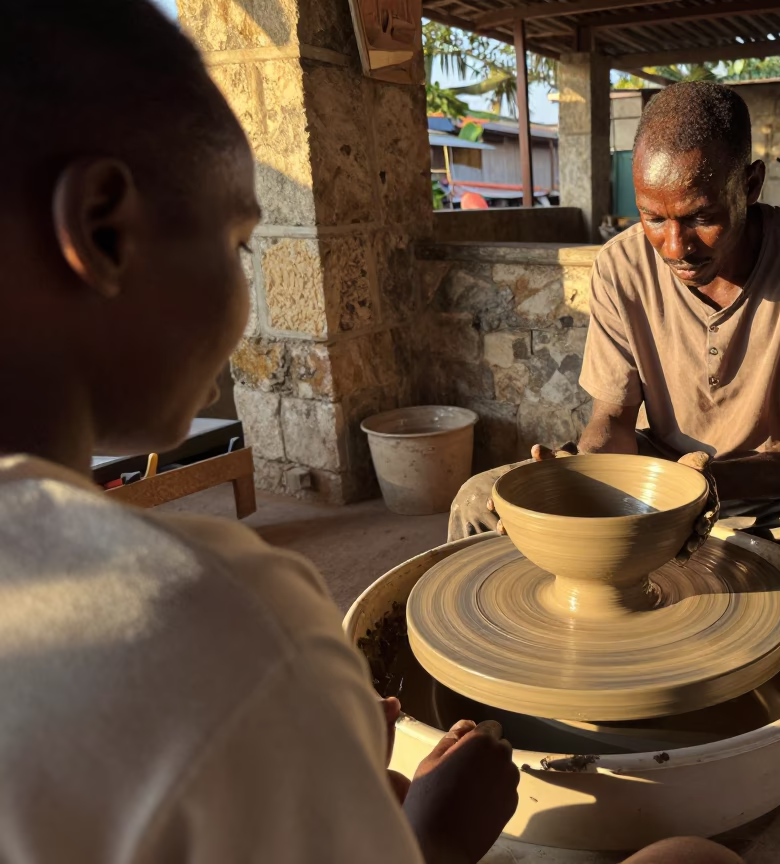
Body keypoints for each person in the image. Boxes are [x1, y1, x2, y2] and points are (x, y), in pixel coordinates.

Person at [0, 5, 740, 864]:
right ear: (102, 228)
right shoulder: (225, 621)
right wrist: (434, 837)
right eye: (241, 244)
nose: (674, 242)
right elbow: (609, 414)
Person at [449, 81, 780, 864]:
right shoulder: (621, 266)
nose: (677, 246)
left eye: (701, 216)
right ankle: (488, 745)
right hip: (654, 478)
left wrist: (712, 486)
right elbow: (612, 420)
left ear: (749, 184)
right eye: (654, 219)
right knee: (484, 503)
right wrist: (576, 474)